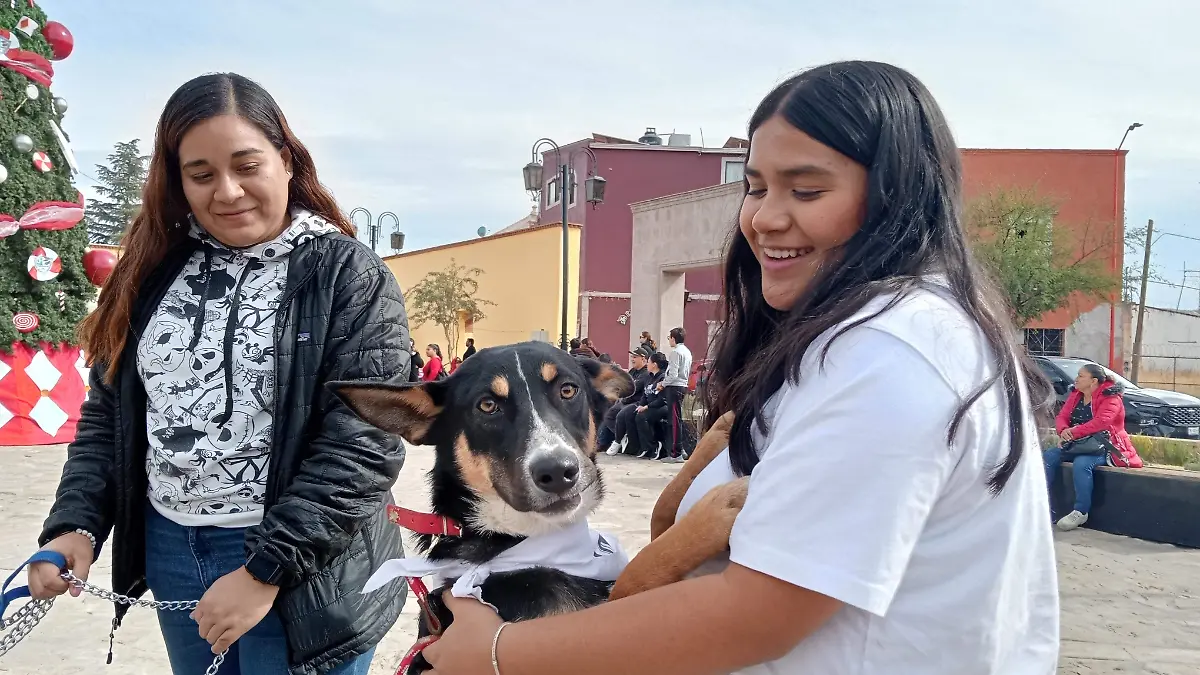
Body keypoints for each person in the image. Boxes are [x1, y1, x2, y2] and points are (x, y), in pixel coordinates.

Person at [418, 60, 1060, 675]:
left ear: (897, 195)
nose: (765, 218)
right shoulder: (872, 335)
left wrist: (498, 655)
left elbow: (758, 613)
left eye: (806, 190)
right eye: (754, 186)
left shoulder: (892, 356)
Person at [28, 73, 410, 675]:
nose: (227, 192)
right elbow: (110, 417)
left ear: (285, 161)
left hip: (304, 565)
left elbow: (364, 444)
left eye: (246, 165)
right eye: (201, 174)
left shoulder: (348, 275)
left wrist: (266, 571)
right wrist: (74, 525)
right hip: (173, 545)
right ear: (177, 181)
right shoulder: (150, 273)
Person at [1044, 363, 1143, 531]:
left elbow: (1101, 422)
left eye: (1081, 376)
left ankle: (1080, 511)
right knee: (1048, 457)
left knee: (1082, 464)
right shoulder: (1076, 395)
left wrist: (1073, 432)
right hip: (1076, 444)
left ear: (1093, 381)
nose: (1076, 379)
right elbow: (1062, 416)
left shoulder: (1111, 397)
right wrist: (1064, 431)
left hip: (1104, 445)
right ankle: (1042, 506)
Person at [599, 347, 652, 454]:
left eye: (635, 357)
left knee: (621, 415)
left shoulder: (645, 373)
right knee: (608, 414)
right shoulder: (632, 371)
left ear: (643, 359)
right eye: (632, 357)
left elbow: (633, 388)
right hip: (625, 401)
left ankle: (618, 440)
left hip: (636, 402)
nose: (632, 359)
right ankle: (615, 438)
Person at [657, 327, 693, 461]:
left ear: (673, 338)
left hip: (674, 387)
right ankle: (679, 450)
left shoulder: (675, 353)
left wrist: (662, 384)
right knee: (676, 419)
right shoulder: (687, 352)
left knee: (674, 421)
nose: (669, 341)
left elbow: (673, 374)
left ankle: (676, 453)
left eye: (669, 338)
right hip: (682, 386)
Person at [631, 352, 671, 461]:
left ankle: (654, 446)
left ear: (655, 364)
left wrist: (646, 407)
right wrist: (640, 405)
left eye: (648, 362)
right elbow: (645, 395)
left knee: (641, 416)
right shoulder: (649, 377)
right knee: (632, 413)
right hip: (649, 405)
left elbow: (662, 400)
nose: (647, 364)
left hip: (661, 407)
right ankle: (640, 447)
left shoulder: (662, 378)